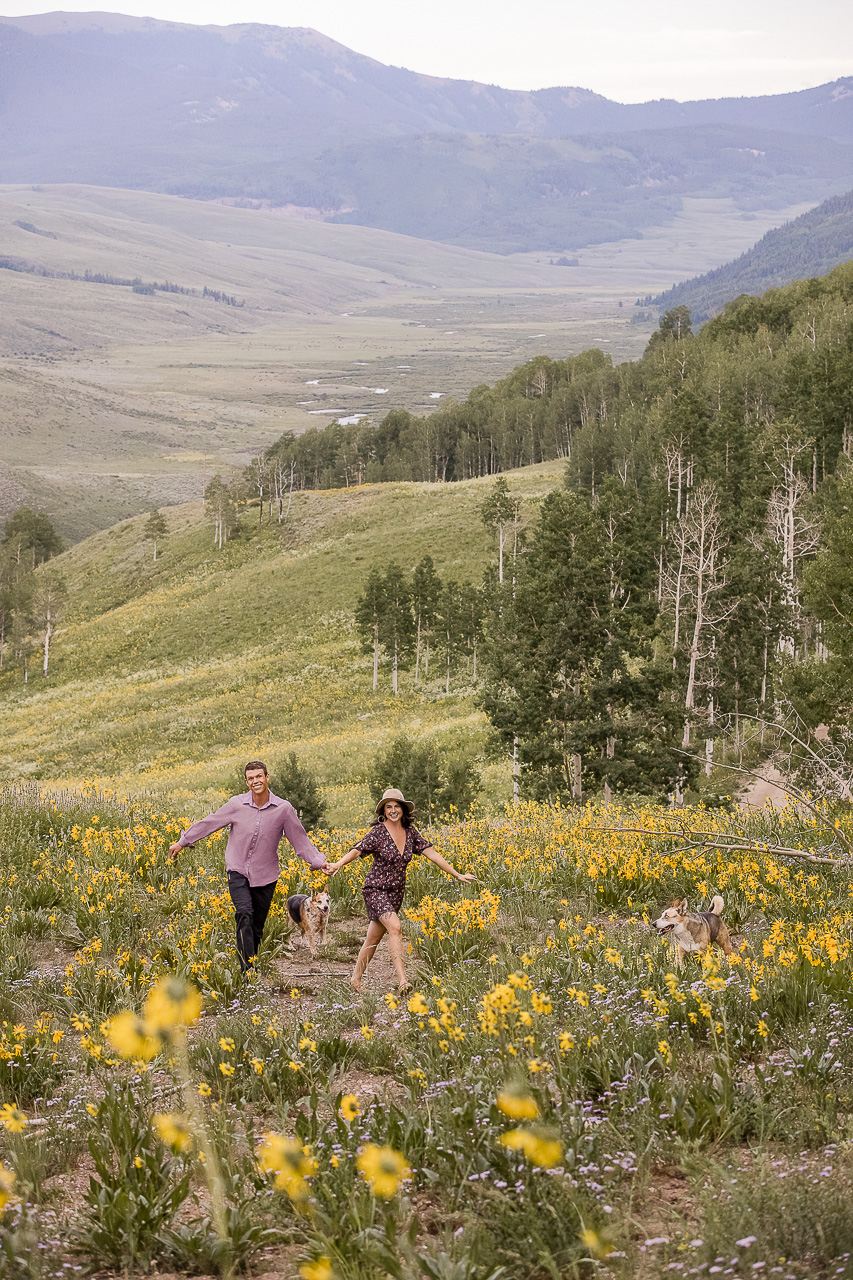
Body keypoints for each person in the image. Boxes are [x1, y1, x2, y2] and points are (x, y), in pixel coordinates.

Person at [169, 760, 329, 974]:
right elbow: (210, 822)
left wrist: (319, 862)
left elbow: (300, 840)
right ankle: (247, 972)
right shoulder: (236, 804)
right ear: (247, 782)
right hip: (237, 871)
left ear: (267, 777)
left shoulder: (283, 809)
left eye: (259, 776)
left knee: (257, 927)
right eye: (251, 778)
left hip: (266, 875)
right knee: (244, 913)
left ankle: (250, 961)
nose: (255, 781)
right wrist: (183, 841)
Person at [326, 786, 476, 994]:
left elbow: (433, 854)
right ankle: (403, 981)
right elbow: (357, 849)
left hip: (396, 893)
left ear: (404, 810)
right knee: (395, 927)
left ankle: (355, 980)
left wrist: (457, 874)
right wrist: (337, 865)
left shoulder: (411, 833)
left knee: (373, 938)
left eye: (397, 806)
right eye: (389, 807)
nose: (393, 810)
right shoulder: (378, 832)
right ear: (383, 811)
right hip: (375, 889)